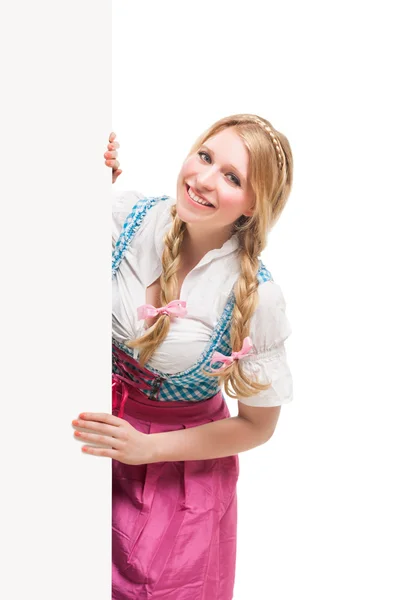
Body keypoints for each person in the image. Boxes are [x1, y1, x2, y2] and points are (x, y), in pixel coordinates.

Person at [72, 114, 294, 600]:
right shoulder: (128, 219)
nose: (204, 179)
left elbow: (258, 427)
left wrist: (148, 449)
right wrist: (79, 184)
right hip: (89, 441)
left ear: (255, 206)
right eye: (206, 156)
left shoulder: (255, 296)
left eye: (233, 177)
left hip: (180, 471)